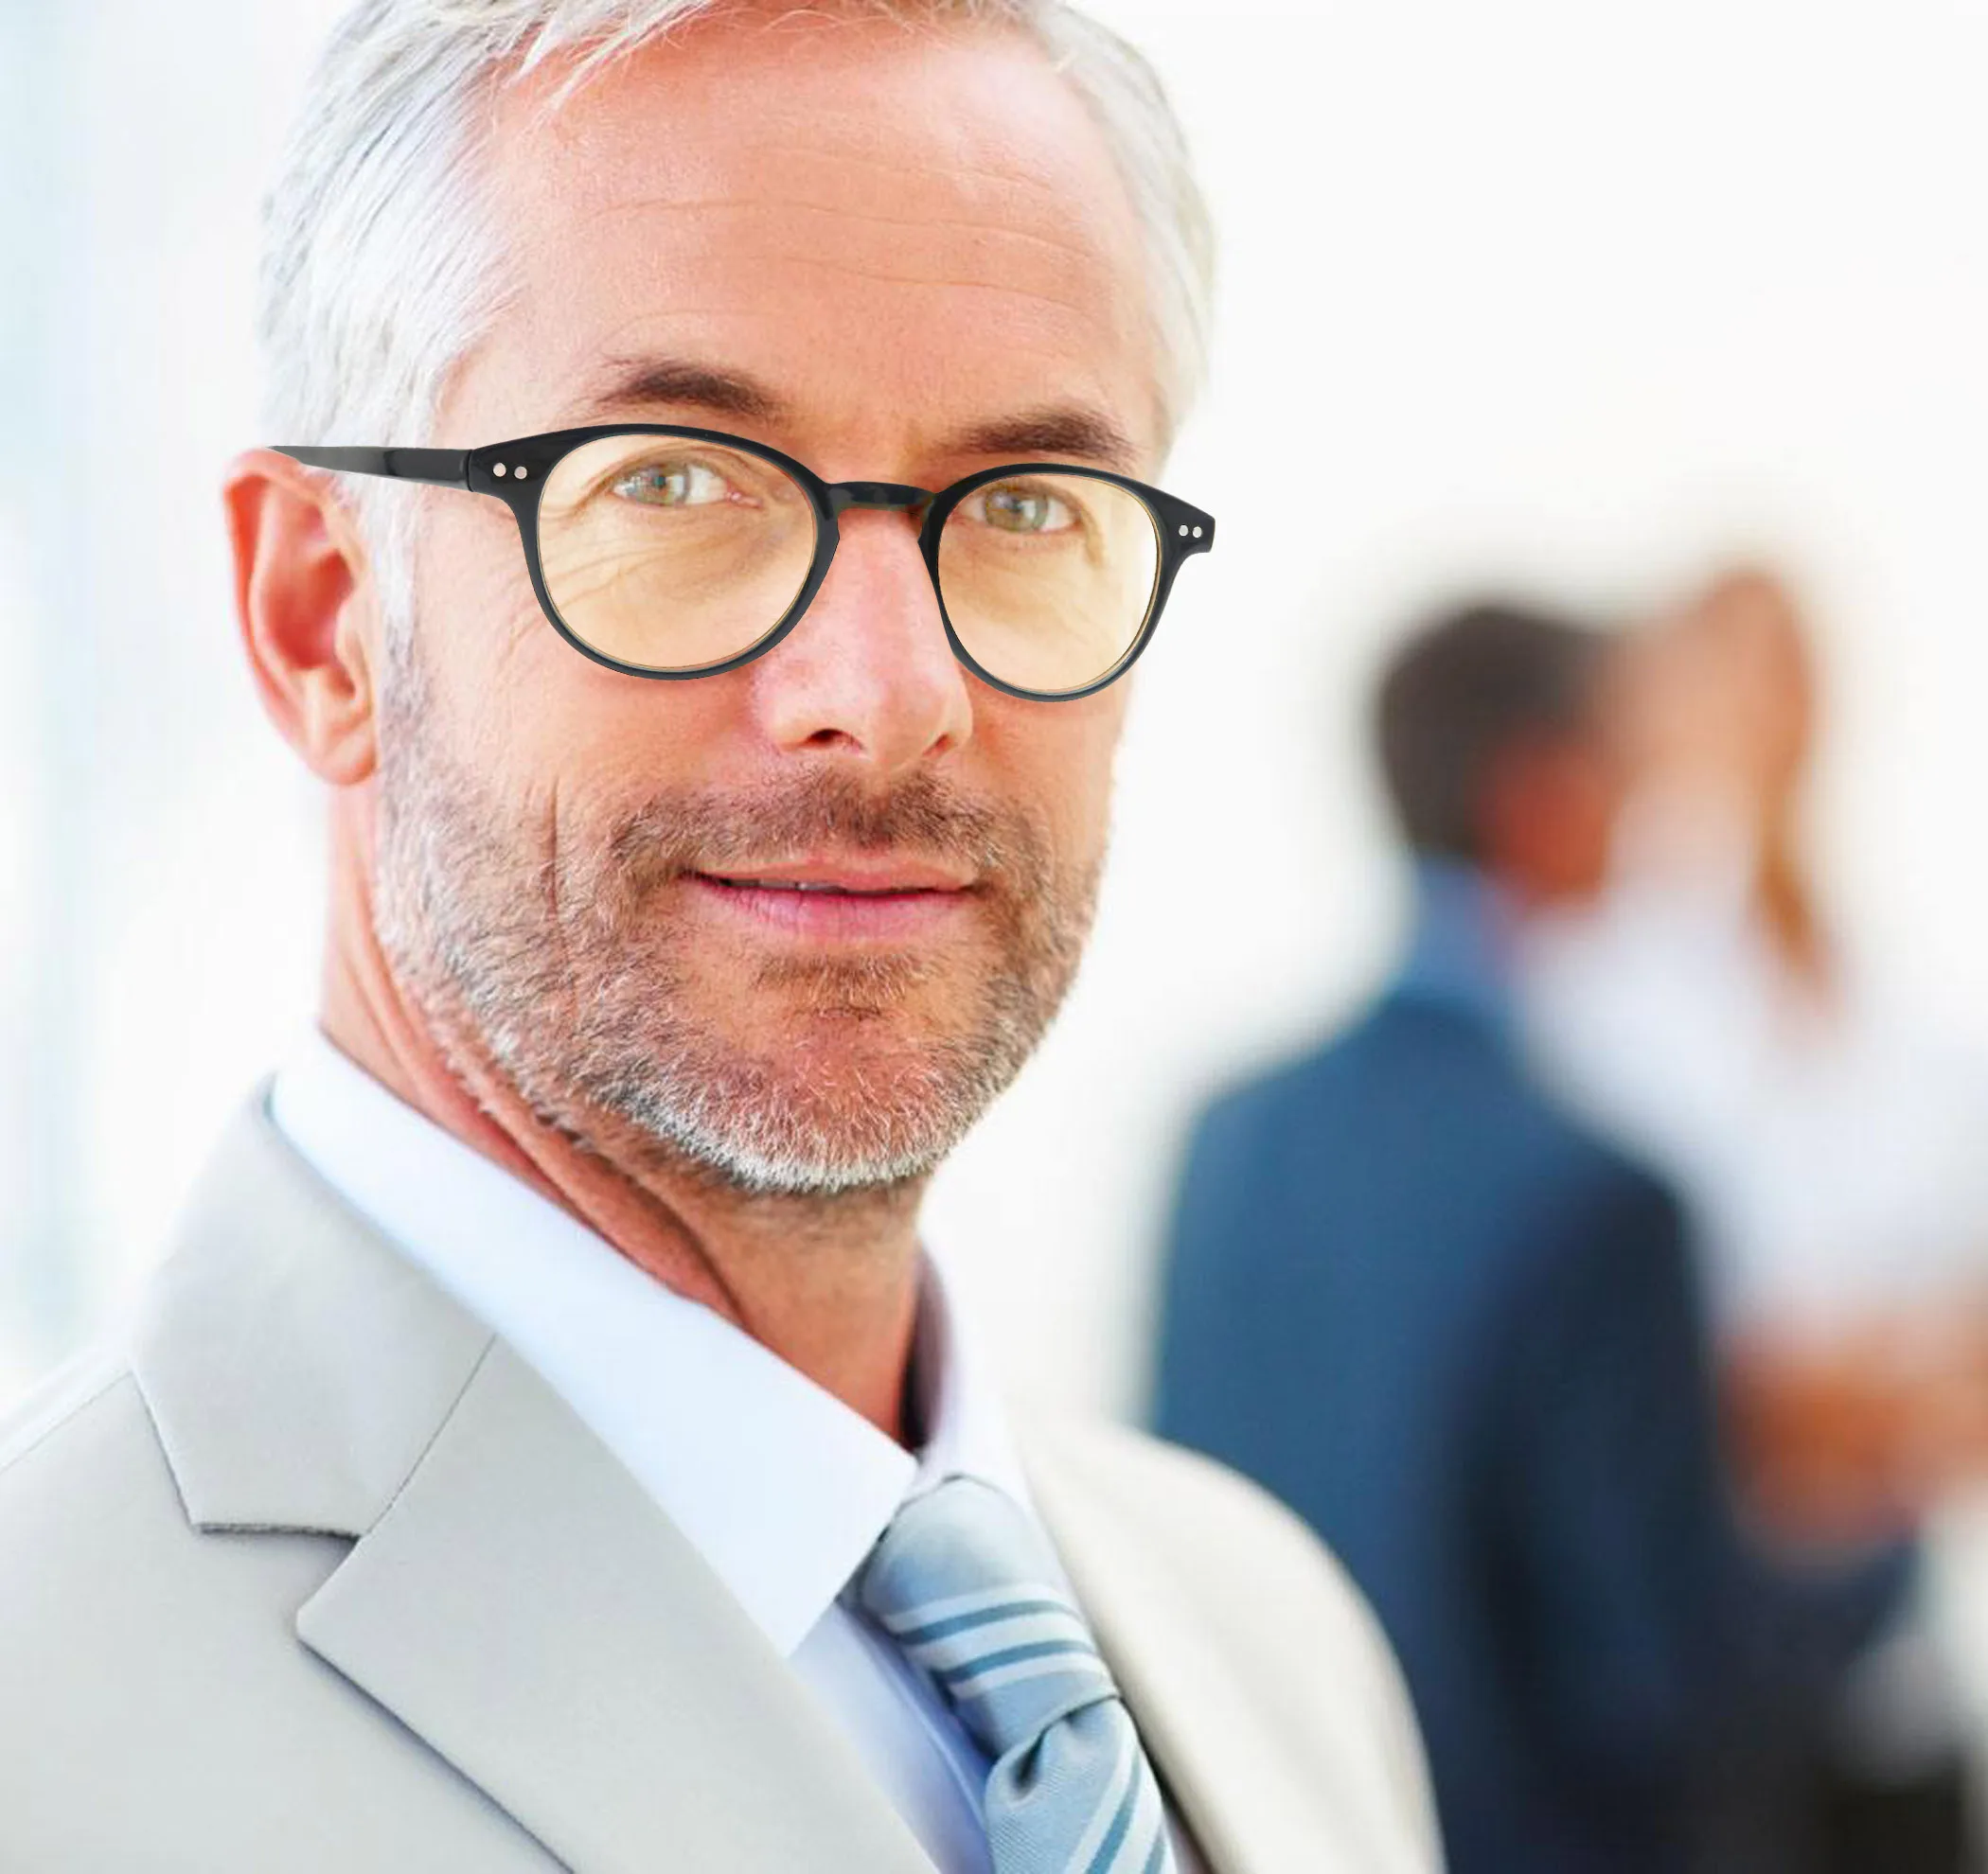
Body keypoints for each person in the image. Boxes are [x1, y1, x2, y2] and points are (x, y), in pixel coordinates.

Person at [0, 4, 1441, 1870]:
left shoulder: (1272, 1640)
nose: (889, 694)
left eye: (1024, 506)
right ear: (323, 619)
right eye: (670, 480)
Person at [1150, 599, 1915, 1874]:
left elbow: (1183, 1540)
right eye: (1624, 771)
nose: (1649, 817)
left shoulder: (1234, 1137)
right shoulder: (1600, 1196)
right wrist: (1886, 1543)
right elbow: (1666, 1687)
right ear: (1543, 798)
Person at [1519, 567, 1988, 1868]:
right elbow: (1664, 1379)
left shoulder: (1900, 999)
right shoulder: (1591, 995)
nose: (1765, 714)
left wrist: (1836, 1400)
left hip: (1899, 1690)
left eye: (1791, 673)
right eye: (1726, 677)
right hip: (1697, 1708)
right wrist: (1848, 1397)